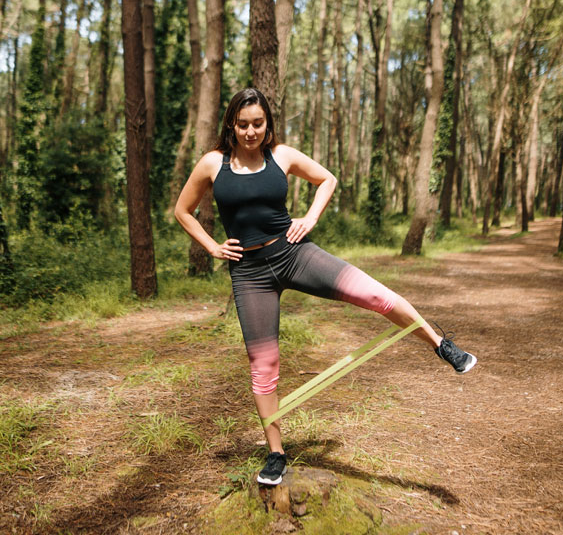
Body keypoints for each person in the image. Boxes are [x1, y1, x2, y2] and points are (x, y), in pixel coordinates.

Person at [175, 88, 477, 486]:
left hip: (294, 253)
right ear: (231, 123)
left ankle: (442, 345)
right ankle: (276, 454)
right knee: (263, 366)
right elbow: (182, 210)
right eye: (243, 124)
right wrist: (212, 246)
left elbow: (327, 179)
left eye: (258, 124)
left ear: (268, 124)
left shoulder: (280, 155)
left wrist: (310, 218)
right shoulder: (213, 163)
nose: (251, 132)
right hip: (249, 273)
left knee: (376, 295)